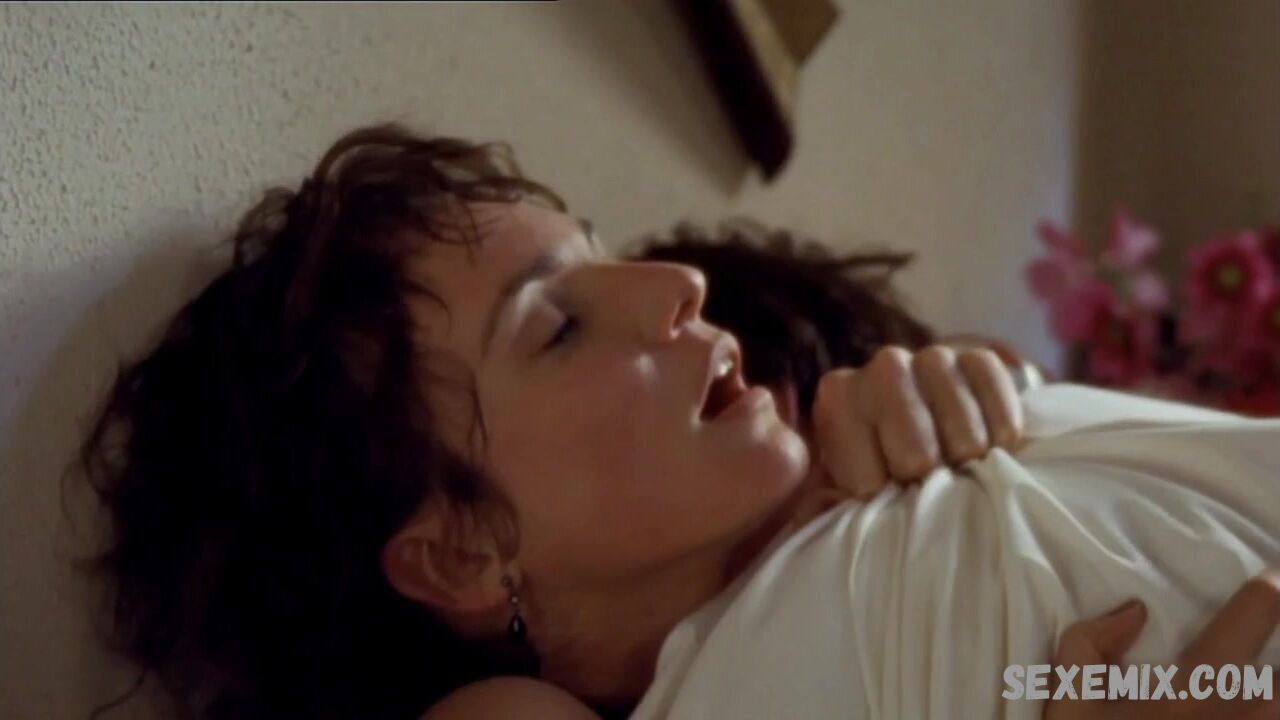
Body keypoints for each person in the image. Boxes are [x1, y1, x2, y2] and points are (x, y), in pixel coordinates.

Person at [75, 124, 1278, 720]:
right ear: (457, 549)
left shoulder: (877, 443)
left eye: (607, 256)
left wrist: (985, 404)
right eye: (556, 327)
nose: (675, 287)